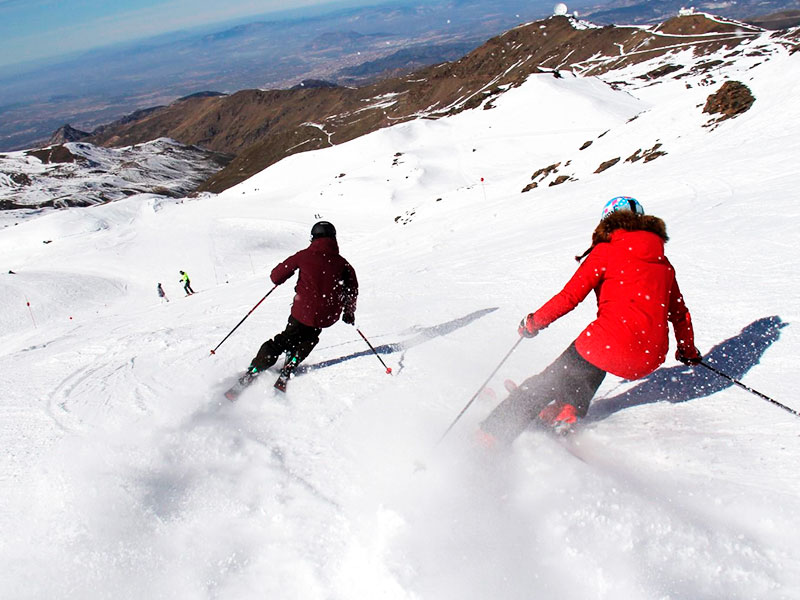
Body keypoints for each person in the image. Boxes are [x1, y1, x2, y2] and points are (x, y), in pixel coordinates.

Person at [480, 196, 701, 444]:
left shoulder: (605, 251)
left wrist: (534, 322)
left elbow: (570, 297)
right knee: (597, 356)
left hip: (611, 344)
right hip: (651, 355)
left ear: (607, 222)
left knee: (556, 375)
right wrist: (688, 351)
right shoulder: (664, 263)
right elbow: (680, 314)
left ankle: (492, 433)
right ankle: (567, 409)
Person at [243, 220, 358, 383]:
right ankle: (294, 360)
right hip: (326, 315)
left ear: (313, 238)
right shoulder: (343, 263)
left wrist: (283, 277)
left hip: (303, 311)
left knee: (284, 339)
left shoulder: (303, 256)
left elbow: (276, 276)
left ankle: (257, 367)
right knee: (310, 337)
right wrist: (349, 312)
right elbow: (352, 290)